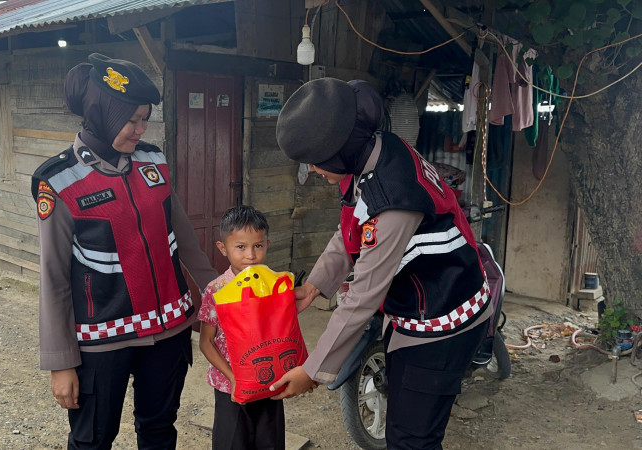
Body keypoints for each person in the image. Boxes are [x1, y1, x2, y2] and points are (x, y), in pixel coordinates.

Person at [269, 78, 492, 449]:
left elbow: (363, 295)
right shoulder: (377, 151)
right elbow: (350, 229)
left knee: (411, 439)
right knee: (401, 424)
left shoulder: (393, 199)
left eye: (317, 161)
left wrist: (313, 371)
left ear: (339, 152)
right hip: (417, 311)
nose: (314, 171)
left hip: (442, 320)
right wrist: (314, 285)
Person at [32, 53, 218, 449]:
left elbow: (185, 240)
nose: (140, 129)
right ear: (103, 114)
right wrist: (61, 361)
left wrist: (221, 299)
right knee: (93, 440)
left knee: (159, 431)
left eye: (144, 119)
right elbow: (53, 279)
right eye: (131, 120)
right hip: (102, 341)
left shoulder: (153, 160)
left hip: (168, 333)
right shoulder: (60, 181)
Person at [197, 205, 286, 450]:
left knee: (271, 441)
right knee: (232, 442)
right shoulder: (217, 290)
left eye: (258, 245)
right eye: (241, 247)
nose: (250, 255)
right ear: (222, 248)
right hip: (231, 387)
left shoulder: (274, 286)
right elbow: (206, 342)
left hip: (269, 382)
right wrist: (233, 377)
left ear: (267, 244)